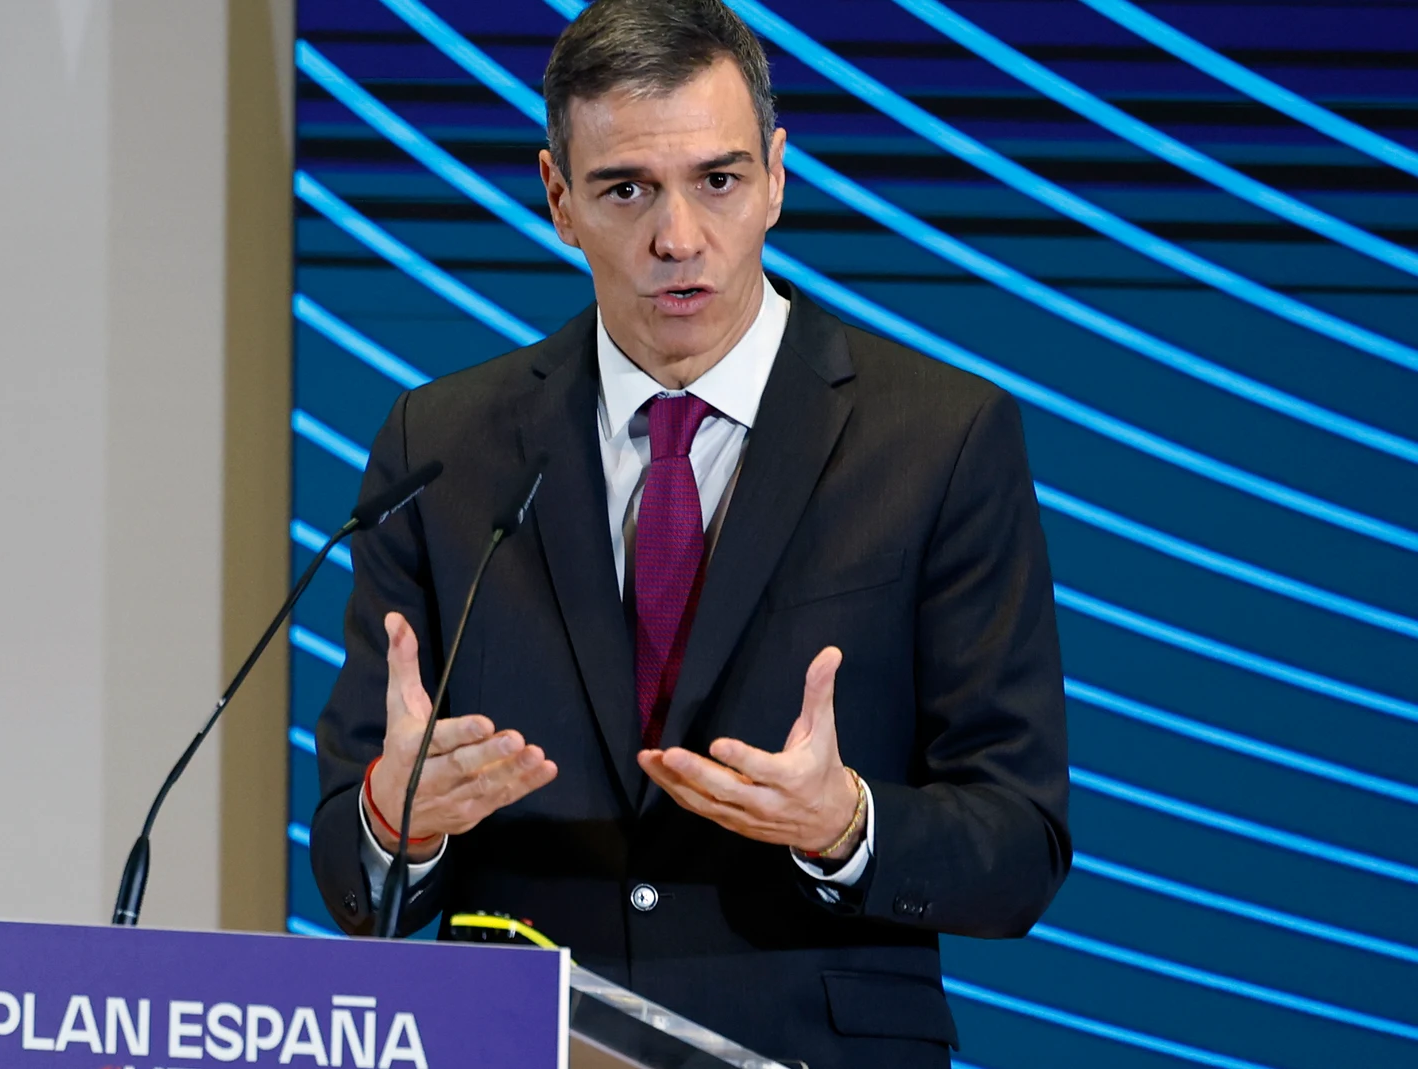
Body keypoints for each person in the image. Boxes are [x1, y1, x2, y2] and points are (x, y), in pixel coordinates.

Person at [310, 1, 1070, 1064]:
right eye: (627, 189)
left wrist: (844, 825)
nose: (677, 237)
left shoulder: (939, 440)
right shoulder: (439, 446)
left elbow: (1018, 844)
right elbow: (354, 880)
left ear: (776, 176)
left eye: (717, 180)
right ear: (559, 200)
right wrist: (397, 823)